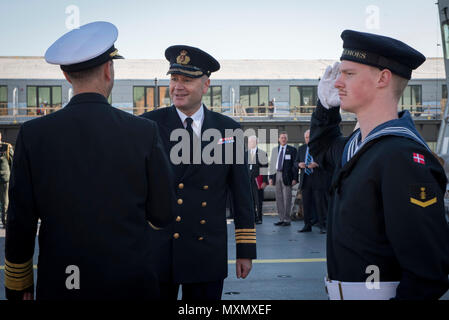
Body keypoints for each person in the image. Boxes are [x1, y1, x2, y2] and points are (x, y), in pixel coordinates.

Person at [4, 21, 174, 300]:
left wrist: (19, 285)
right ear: (109, 69)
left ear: (66, 75)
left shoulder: (33, 135)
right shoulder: (143, 132)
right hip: (130, 284)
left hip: (64, 284)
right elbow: (162, 213)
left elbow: (20, 222)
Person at [310, 29, 449, 300]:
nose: (337, 82)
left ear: (382, 78)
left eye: (348, 74)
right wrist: (325, 109)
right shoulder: (361, 145)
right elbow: (323, 147)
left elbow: (427, 272)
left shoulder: (401, 156)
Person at [141, 45, 256, 301]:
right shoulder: (147, 125)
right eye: (174, 79)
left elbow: (241, 195)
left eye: (187, 80)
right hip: (158, 251)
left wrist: (245, 249)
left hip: (206, 252)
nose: (178, 87)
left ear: (206, 85)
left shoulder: (229, 130)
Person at [295, 129, 329, 234]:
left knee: (319, 204)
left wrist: (317, 164)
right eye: (306, 137)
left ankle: (322, 226)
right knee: (306, 204)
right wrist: (299, 165)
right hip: (305, 179)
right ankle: (307, 225)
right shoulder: (301, 149)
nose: (308, 139)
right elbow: (295, 162)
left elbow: (326, 161)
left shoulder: (320, 147)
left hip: (317, 178)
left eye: (309, 137)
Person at [269, 132, 298, 226]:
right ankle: (281, 218)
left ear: (287, 139)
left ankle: (287, 219)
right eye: (282, 138)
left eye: (285, 138)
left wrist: (295, 178)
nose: (283, 139)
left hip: (287, 176)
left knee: (287, 198)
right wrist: (270, 178)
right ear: (279, 139)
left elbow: (295, 166)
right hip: (277, 174)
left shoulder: (292, 150)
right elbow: (272, 165)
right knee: (279, 198)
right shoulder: (274, 150)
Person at [247, 135, 268, 224]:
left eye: (252, 141)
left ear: (256, 142)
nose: (250, 143)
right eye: (249, 142)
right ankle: (253, 217)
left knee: (258, 200)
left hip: (258, 180)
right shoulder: (245, 153)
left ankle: (259, 218)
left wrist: (264, 181)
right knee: (250, 200)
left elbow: (264, 168)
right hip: (248, 180)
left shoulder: (262, 153)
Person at [0, 132, 13, 228]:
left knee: (5, 201)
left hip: (4, 178)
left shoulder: (6, 147)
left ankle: (5, 221)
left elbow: (12, 163)